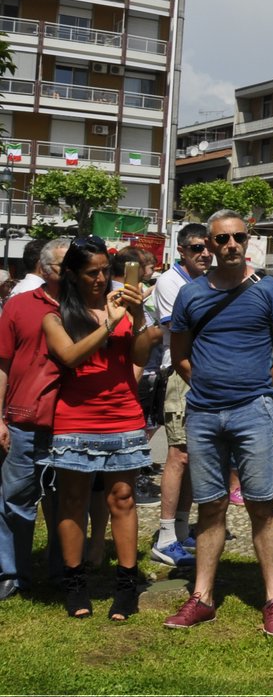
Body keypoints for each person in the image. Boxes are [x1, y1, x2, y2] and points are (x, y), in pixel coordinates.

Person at [164, 211, 273, 635]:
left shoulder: (271, 291)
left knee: (262, 504)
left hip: (253, 412)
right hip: (204, 411)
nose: (230, 245)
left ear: (248, 240)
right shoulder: (191, 294)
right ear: (208, 243)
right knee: (211, 504)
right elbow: (180, 354)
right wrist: (205, 385)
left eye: (238, 237)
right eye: (221, 239)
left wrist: (261, 388)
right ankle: (202, 596)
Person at [42, 235, 164, 619]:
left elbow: (140, 354)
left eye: (105, 272)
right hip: (75, 416)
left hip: (123, 413)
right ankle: (75, 584)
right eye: (91, 273)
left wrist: (138, 316)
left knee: (123, 498)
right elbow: (70, 357)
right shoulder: (55, 316)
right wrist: (109, 325)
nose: (101, 280)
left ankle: (126, 585)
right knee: (73, 500)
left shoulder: (122, 310)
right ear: (73, 276)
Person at [0, 237, 70, 602]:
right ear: (44, 268)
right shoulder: (19, 306)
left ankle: (64, 570)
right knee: (14, 499)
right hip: (24, 419)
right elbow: (3, 364)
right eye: (62, 264)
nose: (70, 270)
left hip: (72, 421)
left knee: (65, 501)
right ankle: (12, 573)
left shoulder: (87, 307)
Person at [148, 222, 210, 569]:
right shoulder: (171, 282)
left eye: (207, 247)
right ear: (182, 250)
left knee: (195, 454)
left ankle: (183, 527)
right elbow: (180, 326)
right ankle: (166, 535)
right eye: (197, 248)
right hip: (181, 373)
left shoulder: (201, 282)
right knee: (179, 454)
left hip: (204, 371)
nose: (205, 254)